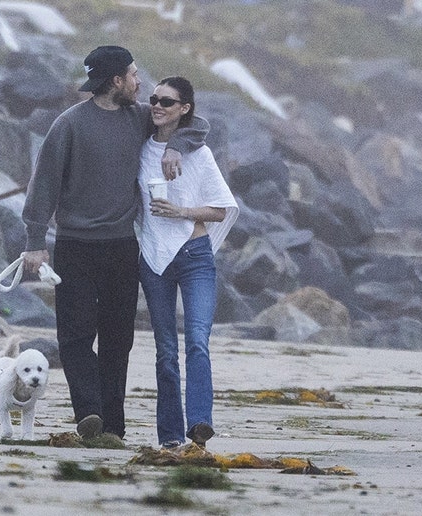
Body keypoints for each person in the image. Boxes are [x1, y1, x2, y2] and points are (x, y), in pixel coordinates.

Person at [21, 46, 210, 440]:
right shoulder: (69, 124)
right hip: (74, 246)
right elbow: (44, 185)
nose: (141, 84)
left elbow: (196, 123)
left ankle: (114, 428)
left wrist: (177, 146)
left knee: (117, 340)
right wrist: (35, 241)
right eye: (135, 75)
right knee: (73, 337)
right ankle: (89, 413)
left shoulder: (139, 117)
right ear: (117, 81)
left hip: (122, 248)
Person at [137, 76, 238, 449]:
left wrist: (179, 211)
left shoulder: (200, 153)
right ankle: (169, 437)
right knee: (165, 351)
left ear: (185, 109)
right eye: (154, 99)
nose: (158, 106)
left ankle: (199, 425)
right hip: (153, 259)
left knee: (197, 340)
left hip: (195, 256)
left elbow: (220, 209)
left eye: (167, 101)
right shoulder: (141, 149)